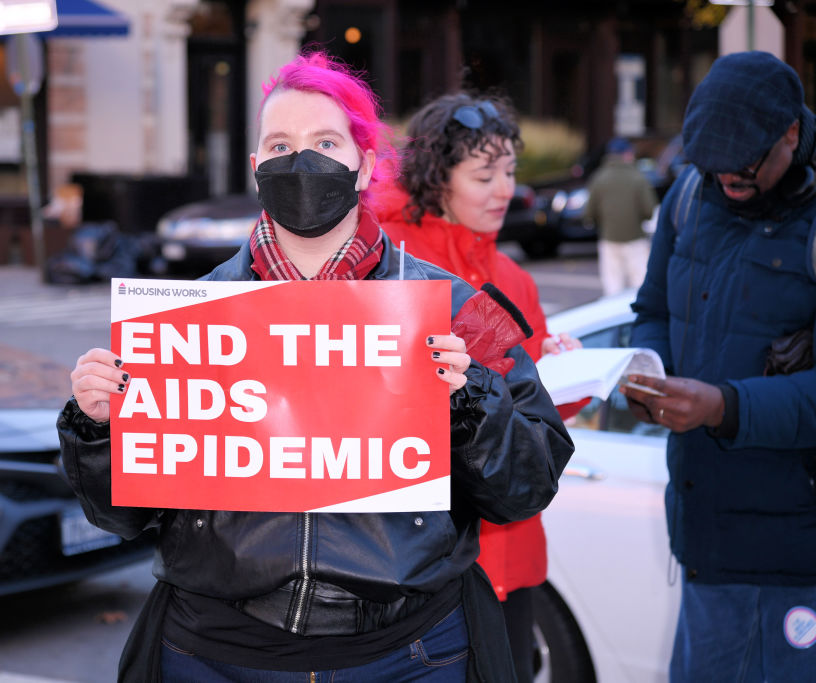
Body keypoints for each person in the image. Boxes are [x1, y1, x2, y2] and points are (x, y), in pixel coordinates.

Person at [58, 51, 574, 682]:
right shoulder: (188, 319)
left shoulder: (456, 311)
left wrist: (473, 405)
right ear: (255, 168)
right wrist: (97, 427)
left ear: (363, 164)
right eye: (280, 143)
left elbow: (526, 487)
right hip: (219, 654)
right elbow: (121, 516)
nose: (300, 161)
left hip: (407, 656)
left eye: (325, 141)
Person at [374, 92, 585, 683]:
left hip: (511, 552)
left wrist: (558, 375)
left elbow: (531, 420)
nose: (503, 191)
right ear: (437, 179)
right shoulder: (389, 261)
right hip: (419, 555)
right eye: (484, 174)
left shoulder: (513, 276)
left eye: (510, 173)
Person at [621, 51, 816, 682]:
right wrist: (647, 371)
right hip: (704, 539)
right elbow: (650, 308)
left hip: (794, 556)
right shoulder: (687, 196)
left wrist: (725, 407)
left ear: (791, 132)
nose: (727, 175)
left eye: (745, 160)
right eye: (714, 160)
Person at [582, 136, 658, 296]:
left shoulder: (598, 178)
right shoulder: (638, 178)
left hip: (609, 240)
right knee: (640, 287)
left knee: (612, 287)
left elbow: (589, 212)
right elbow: (649, 210)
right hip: (635, 239)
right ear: (627, 154)